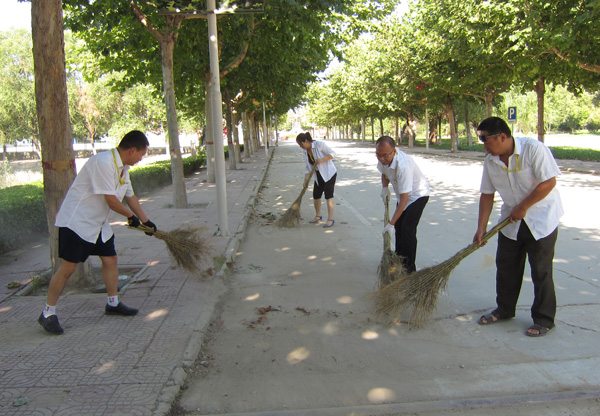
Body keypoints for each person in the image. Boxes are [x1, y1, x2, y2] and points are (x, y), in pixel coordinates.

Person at [37, 130, 157, 335]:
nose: (141, 159)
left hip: (98, 224)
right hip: (77, 222)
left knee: (110, 260)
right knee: (68, 268)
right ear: (132, 150)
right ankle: (48, 313)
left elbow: (130, 196)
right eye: (142, 154)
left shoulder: (123, 168)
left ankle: (113, 303)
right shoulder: (103, 162)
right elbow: (110, 199)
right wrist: (131, 218)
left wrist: (146, 222)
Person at [474, 117, 563, 337]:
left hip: (541, 220)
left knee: (541, 271)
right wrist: (481, 227)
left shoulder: (534, 150)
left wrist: (524, 206)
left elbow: (549, 182)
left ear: (502, 136)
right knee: (506, 268)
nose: (484, 145)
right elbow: (487, 194)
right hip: (510, 222)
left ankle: (544, 319)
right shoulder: (491, 161)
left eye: (486, 140)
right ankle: (504, 309)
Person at [377, 136, 430, 273]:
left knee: (407, 230)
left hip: (418, 195)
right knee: (399, 228)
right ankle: (398, 258)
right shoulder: (383, 157)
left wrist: (390, 224)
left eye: (385, 155)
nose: (382, 158)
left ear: (393, 152)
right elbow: (384, 173)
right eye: (378, 155)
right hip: (403, 196)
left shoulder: (403, 166)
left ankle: (409, 268)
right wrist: (385, 187)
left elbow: (404, 199)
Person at [296, 132, 337, 228]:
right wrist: (305, 180)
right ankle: (318, 216)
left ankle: (330, 219)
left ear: (306, 141)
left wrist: (323, 160)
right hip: (318, 175)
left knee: (328, 195)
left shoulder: (319, 144)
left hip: (328, 173)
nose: (300, 146)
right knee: (316, 195)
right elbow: (308, 166)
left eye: (301, 144)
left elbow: (333, 153)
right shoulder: (305, 150)